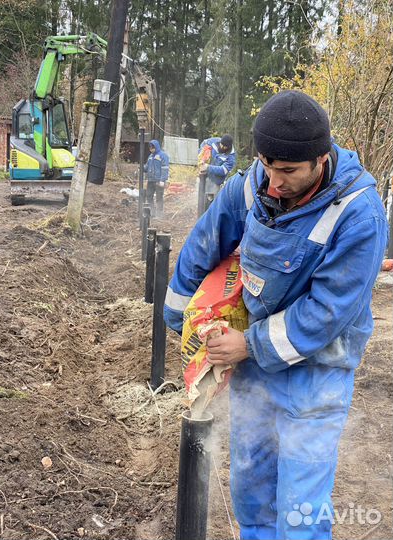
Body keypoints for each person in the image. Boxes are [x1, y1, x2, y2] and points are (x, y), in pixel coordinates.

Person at [164, 91, 388, 540]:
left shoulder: (359, 214)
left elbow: (327, 312)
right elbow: (204, 245)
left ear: (320, 160)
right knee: (252, 493)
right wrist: (182, 321)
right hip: (254, 373)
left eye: (288, 171)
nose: (274, 182)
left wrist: (247, 344)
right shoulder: (251, 185)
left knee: (299, 512)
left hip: (316, 375)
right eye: (267, 165)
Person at [199, 134, 236, 204]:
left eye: (224, 146)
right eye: (221, 144)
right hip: (205, 176)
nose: (221, 147)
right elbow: (204, 144)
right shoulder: (214, 141)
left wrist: (208, 167)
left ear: (228, 147)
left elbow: (223, 170)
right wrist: (202, 156)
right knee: (201, 197)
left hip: (216, 181)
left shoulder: (231, 157)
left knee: (212, 201)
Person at [143, 139, 169, 217]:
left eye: (152, 147)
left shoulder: (163, 155)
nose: (151, 149)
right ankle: (152, 212)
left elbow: (165, 168)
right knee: (149, 195)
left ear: (156, 147)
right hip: (151, 180)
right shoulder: (150, 157)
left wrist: (162, 180)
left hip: (158, 181)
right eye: (150, 148)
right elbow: (147, 167)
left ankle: (159, 214)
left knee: (159, 197)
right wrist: (142, 168)